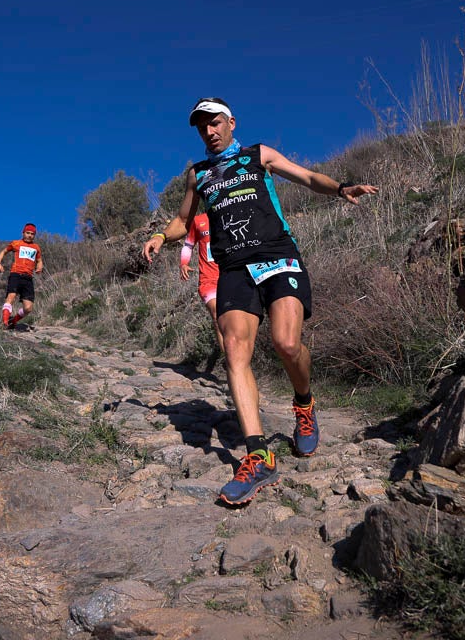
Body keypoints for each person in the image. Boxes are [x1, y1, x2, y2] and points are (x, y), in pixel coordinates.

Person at [143, 97, 378, 505]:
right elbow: (183, 220)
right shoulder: (198, 175)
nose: (209, 132)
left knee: (287, 344)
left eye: (214, 124)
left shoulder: (259, 155)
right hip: (233, 269)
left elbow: (306, 177)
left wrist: (341, 188)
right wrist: (162, 236)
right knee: (235, 351)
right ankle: (258, 455)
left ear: (231, 122)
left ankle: (304, 403)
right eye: (202, 128)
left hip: (277, 257)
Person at [180, 211, 225, 357]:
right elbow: (188, 245)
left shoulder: (230, 213)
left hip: (231, 276)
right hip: (208, 280)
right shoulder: (198, 220)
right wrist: (184, 263)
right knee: (217, 315)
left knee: (235, 320)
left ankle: (241, 361)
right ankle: (231, 362)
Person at [0, 223, 43, 329]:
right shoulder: (16, 243)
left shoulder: (36, 248)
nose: (30, 235)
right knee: (10, 298)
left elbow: (39, 260)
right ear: (23, 233)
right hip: (16, 274)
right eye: (28, 233)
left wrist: (39, 267)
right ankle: (5, 322)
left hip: (28, 278)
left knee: (28, 308)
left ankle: (13, 321)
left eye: (32, 234)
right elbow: (4, 252)